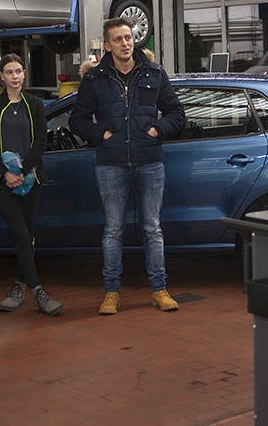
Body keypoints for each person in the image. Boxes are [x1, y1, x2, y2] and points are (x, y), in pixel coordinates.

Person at [69, 17, 185, 316]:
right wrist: (101, 135)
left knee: (152, 229)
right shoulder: (94, 80)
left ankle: (159, 290)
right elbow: (77, 120)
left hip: (149, 161)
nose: (126, 43)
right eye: (118, 39)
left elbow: (176, 112)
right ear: (107, 45)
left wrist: (157, 130)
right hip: (111, 163)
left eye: (129, 37)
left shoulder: (154, 73)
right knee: (112, 231)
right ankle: (111, 293)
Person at [0, 53, 63, 316]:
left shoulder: (35, 104)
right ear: (2, 76)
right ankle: (39, 291)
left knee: (28, 236)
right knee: (21, 234)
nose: (14, 76)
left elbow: (41, 140)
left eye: (18, 71)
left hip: (32, 179)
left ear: (24, 74)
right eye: (9, 72)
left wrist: (25, 170)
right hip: (3, 181)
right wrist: (6, 172)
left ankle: (18, 286)